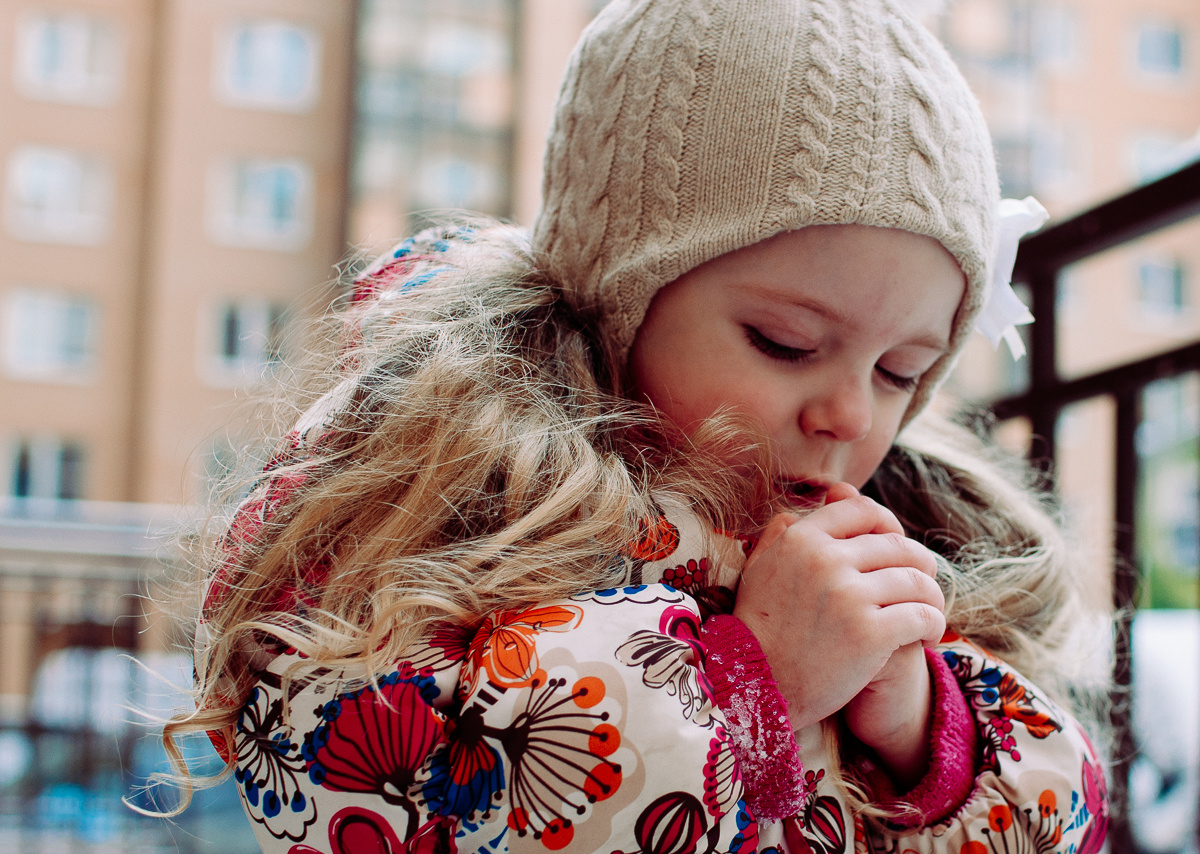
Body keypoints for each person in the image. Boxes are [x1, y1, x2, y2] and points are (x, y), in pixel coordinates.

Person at [166, 0, 1112, 852]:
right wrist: (750, 683)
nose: (851, 413)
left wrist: (916, 732)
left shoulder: (917, 532)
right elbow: (349, 775)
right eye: (783, 342)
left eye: (902, 371)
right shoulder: (461, 493)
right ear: (619, 297)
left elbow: (1055, 805)